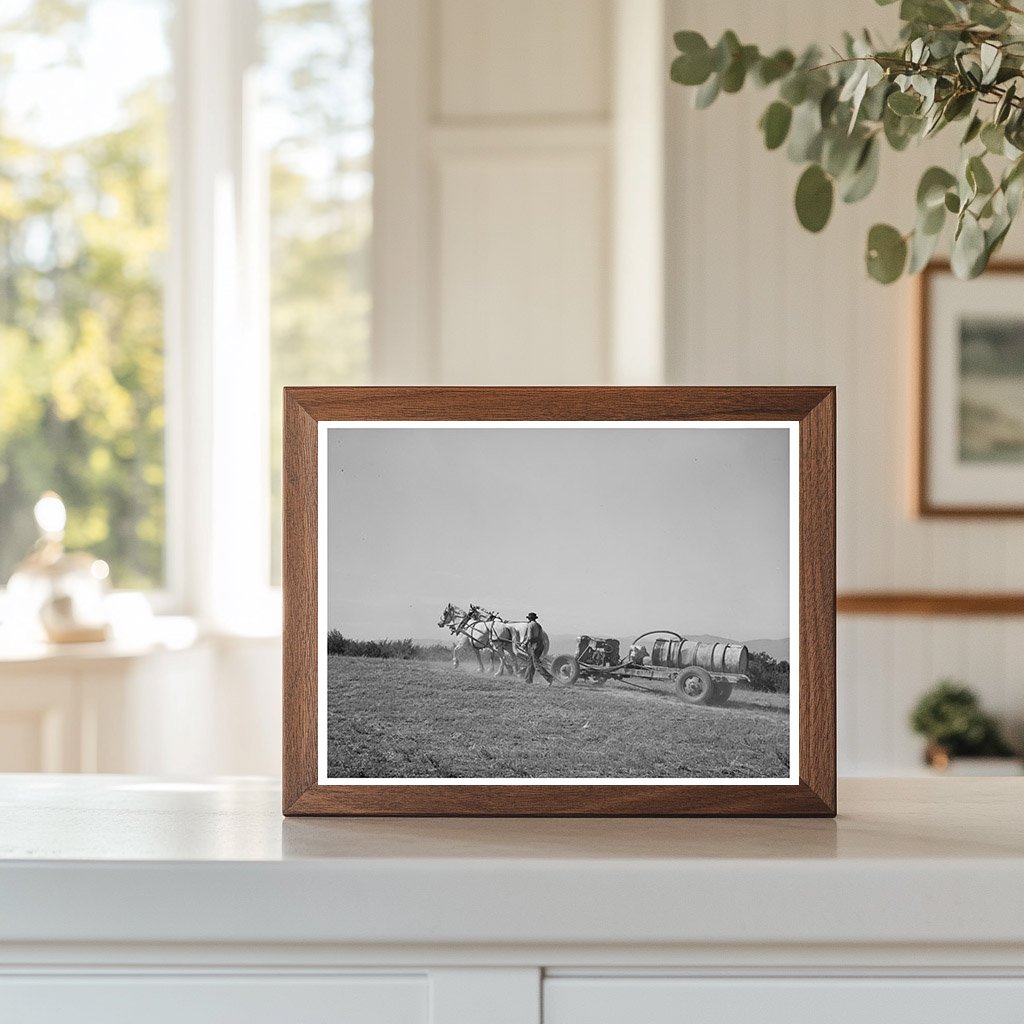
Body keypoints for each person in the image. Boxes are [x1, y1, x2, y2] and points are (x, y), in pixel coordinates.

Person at [522, 612, 553, 685]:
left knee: (536, 664)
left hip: (534, 646)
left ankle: (549, 678)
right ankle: (528, 680)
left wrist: (524, 643)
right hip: (540, 645)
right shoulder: (538, 625)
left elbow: (529, 637)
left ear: (529, 619)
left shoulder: (530, 625)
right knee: (530, 663)